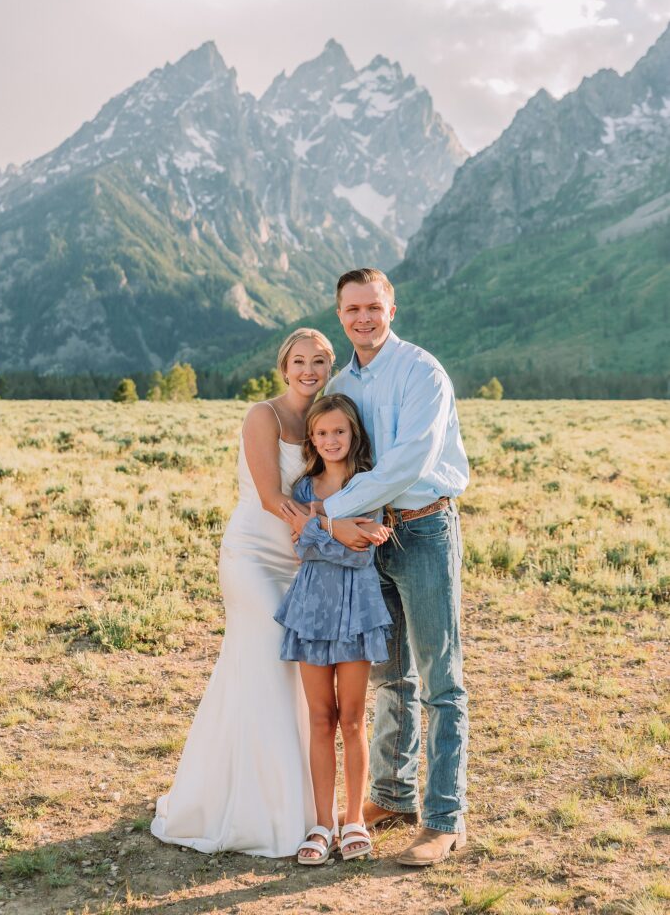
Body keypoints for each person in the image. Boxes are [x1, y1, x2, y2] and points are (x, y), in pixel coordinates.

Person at [150, 328, 388, 858]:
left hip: (309, 566)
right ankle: (256, 807)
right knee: (263, 658)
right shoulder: (264, 416)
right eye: (299, 361)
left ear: (331, 368)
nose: (309, 370)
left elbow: (347, 488)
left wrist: (335, 527)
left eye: (320, 361)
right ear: (284, 368)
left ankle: (311, 810)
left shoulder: (330, 421)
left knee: (298, 684)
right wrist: (334, 528)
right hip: (257, 555)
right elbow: (271, 497)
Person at [289, 268, 470, 867]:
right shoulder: (342, 381)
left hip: (420, 528)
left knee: (441, 677)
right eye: (351, 310)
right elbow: (334, 447)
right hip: (369, 542)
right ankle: (392, 796)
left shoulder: (423, 372)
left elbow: (406, 460)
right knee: (392, 675)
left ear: (392, 306)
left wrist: (326, 514)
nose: (362, 318)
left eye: (373, 306)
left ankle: (445, 819)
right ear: (339, 315)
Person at [276, 395, 393, 864]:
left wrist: (320, 529)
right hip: (312, 611)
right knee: (321, 719)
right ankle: (322, 823)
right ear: (312, 439)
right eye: (322, 433)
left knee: (352, 719)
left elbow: (361, 554)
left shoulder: (369, 486)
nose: (331, 440)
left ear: (353, 435)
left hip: (358, 610)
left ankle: (353, 820)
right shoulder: (303, 488)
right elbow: (303, 551)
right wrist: (338, 530)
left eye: (339, 432)